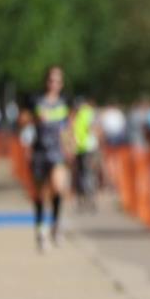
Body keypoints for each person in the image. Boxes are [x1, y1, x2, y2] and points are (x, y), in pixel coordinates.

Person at [30, 66, 72, 252]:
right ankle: (40, 230)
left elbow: (67, 127)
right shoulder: (37, 101)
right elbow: (25, 121)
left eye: (57, 81)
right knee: (41, 193)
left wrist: (70, 145)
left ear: (61, 84)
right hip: (39, 151)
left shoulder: (64, 103)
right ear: (46, 82)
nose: (54, 84)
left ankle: (56, 224)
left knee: (57, 186)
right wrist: (35, 119)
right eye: (51, 80)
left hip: (57, 152)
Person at [72, 96, 100, 212]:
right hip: (81, 148)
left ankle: (90, 199)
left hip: (88, 148)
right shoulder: (80, 115)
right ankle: (86, 199)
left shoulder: (86, 114)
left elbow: (93, 128)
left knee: (87, 174)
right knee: (83, 175)